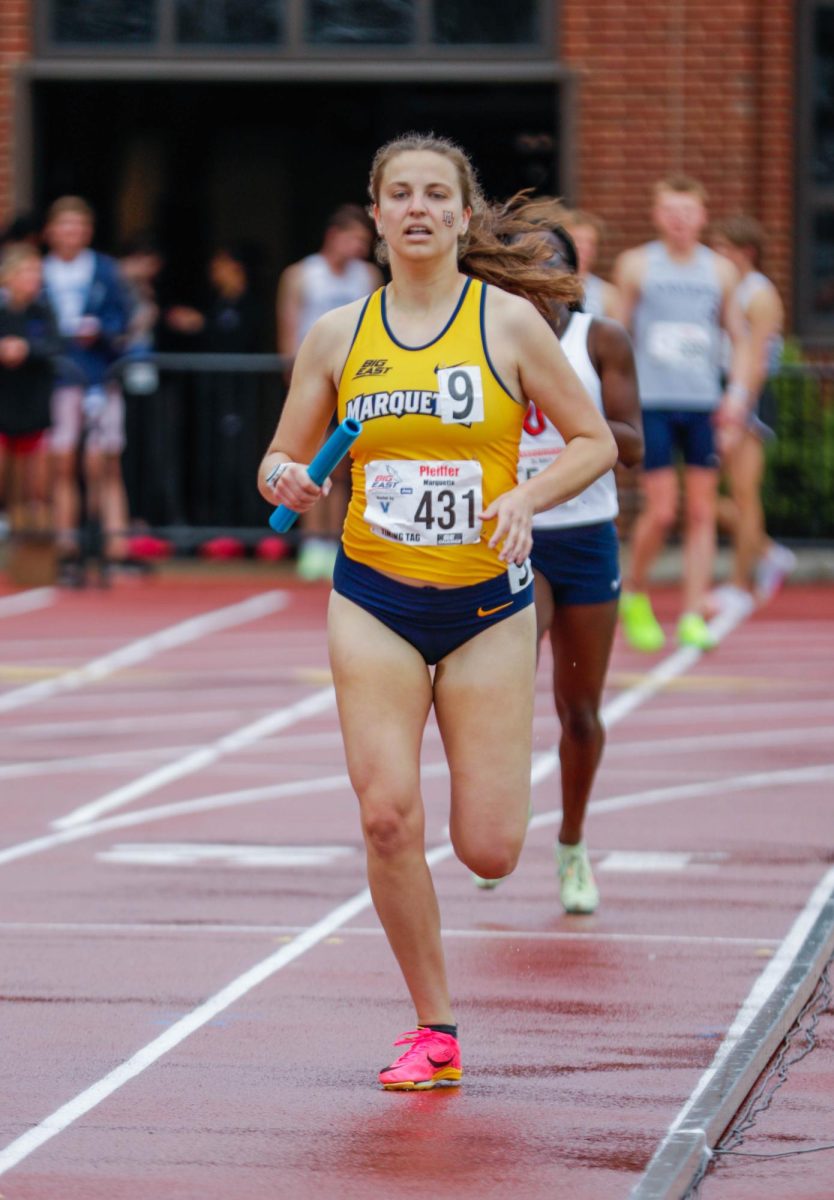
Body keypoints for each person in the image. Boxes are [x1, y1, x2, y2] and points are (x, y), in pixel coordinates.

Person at [258, 133, 617, 1090]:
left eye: (436, 195)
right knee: (385, 818)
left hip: (489, 610)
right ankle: (435, 1028)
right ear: (375, 216)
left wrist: (524, 499)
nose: (418, 209)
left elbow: (593, 443)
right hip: (372, 597)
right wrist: (288, 479)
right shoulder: (338, 334)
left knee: (488, 845)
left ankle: (502, 845)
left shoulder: (509, 324)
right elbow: (281, 457)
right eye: (399, 195)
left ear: (462, 215)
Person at [473, 206, 643, 913]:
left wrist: (579, 430)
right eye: (523, 266)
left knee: (579, 710)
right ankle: (497, 832)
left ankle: (571, 843)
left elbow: (632, 444)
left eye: (549, 266)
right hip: (520, 535)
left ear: (569, 278)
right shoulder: (486, 341)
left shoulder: (599, 340)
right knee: (508, 687)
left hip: (587, 534)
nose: (534, 280)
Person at [614, 175, 749, 651]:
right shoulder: (636, 265)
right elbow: (616, 332)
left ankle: (693, 612)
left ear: (702, 217)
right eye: (671, 211)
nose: (680, 220)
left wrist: (736, 399)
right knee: (662, 510)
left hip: (702, 406)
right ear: (656, 215)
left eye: (688, 212)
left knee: (699, 510)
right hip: (652, 402)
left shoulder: (721, 272)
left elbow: (738, 337)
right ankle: (634, 591)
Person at [276, 204, 383, 581]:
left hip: (354, 378)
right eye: (354, 239)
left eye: (364, 241)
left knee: (340, 469)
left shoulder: (367, 275)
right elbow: (289, 328)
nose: (359, 247)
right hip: (314, 378)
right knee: (307, 466)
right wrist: (296, 381)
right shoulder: (301, 275)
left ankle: (333, 540)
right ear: (333, 236)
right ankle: (311, 544)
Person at [42, 196, 132, 586]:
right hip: (59, 378)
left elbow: (123, 317)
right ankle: (66, 548)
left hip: (101, 375)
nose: (71, 233)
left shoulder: (105, 270)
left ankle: (113, 547)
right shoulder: (40, 272)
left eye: (78, 226)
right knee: (61, 462)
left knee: (104, 462)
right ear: (51, 232)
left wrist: (102, 330)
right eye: (65, 226)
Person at [708, 215, 795, 605]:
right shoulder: (724, 288)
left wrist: (739, 408)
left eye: (724, 247)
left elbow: (756, 360)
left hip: (747, 395)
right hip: (721, 389)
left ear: (746, 252)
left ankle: (740, 582)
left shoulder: (760, 295)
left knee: (744, 493)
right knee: (707, 496)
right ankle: (770, 553)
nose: (716, 254)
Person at [0, 243, 61, 534]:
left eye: (37, 272)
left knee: (34, 484)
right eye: (26, 272)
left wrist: (27, 348)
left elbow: (57, 345)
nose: (33, 278)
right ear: (8, 276)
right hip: (3, 401)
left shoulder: (43, 310)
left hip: (33, 404)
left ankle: (28, 538)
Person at [563, 209, 619, 318]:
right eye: (577, 240)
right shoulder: (545, 289)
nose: (585, 248)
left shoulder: (608, 295)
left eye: (591, 243)